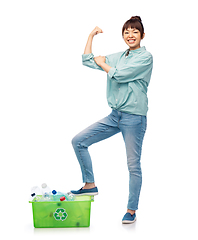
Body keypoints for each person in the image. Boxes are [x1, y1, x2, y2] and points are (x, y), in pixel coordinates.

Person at [71, 16, 153, 224]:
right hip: (114, 116)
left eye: (135, 32)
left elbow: (120, 75)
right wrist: (91, 36)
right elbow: (87, 60)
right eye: (126, 32)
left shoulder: (146, 57)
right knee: (79, 141)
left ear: (142, 36)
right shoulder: (119, 56)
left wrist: (103, 64)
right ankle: (90, 184)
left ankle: (131, 210)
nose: (130, 35)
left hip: (134, 118)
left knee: (133, 165)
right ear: (123, 36)